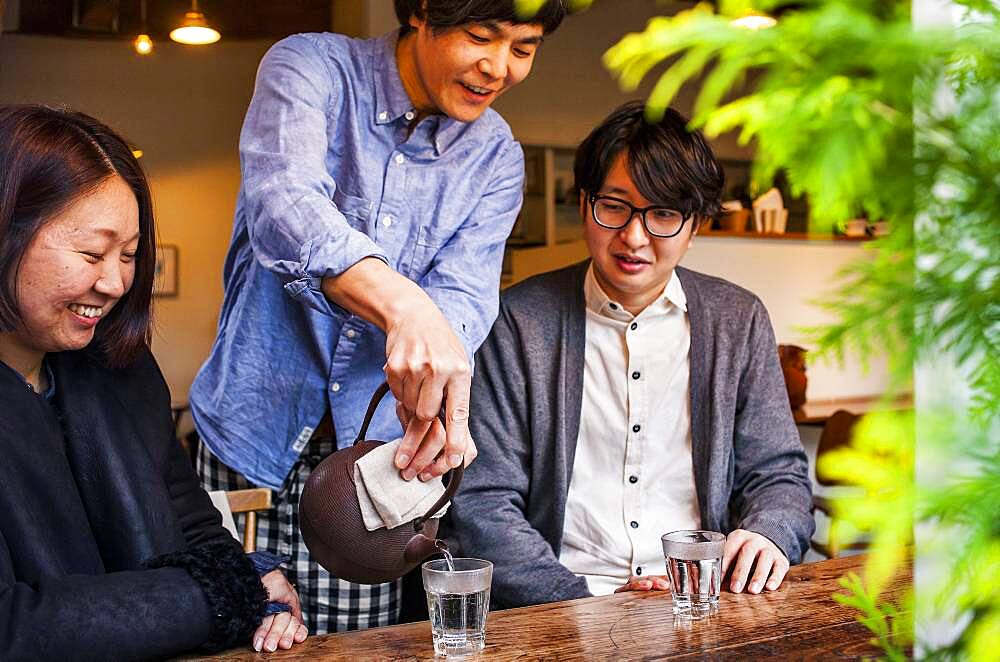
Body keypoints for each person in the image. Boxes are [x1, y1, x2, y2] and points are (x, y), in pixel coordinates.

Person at [189, 0, 568, 633]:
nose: (497, 67)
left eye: (523, 49)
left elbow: (466, 299)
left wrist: (441, 389)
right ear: (422, 11)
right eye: (480, 37)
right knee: (226, 630)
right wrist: (404, 304)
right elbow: (283, 203)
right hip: (247, 432)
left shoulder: (496, 157)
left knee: (353, 648)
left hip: (371, 472)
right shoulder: (310, 68)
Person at [446, 101, 815, 608]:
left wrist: (769, 533)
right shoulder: (517, 320)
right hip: (563, 607)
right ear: (583, 204)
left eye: (663, 213)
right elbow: (483, 501)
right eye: (615, 206)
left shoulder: (738, 318)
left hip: (701, 602)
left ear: (696, 225)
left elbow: (778, 473)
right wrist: (578, 603)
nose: (634, 237)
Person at [0, 104, 309, 659]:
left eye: (130, 255)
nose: (116, 282)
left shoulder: (121, 370)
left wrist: (256, 580)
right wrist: (229, 593)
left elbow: (194, 527)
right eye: (92, 253)